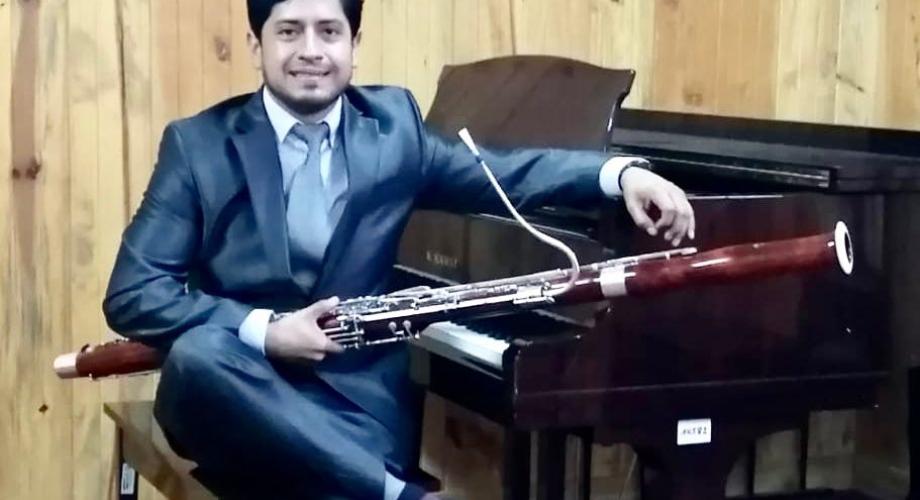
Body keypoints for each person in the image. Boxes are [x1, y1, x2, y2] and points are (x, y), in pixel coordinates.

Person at [102, 0, 695, 498]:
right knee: (198, 355)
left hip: (355, 411)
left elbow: (505, 172)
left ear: (354, 44)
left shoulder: (394, 129)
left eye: (329, 31)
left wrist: (618, 174)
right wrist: (267, 330)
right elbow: (133, 292)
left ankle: (370, 484)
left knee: (309, 476)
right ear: (256, 45)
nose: (310, 50)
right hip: (239, 394)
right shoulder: (198, 146)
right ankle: (399, 494)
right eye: (289, 32)